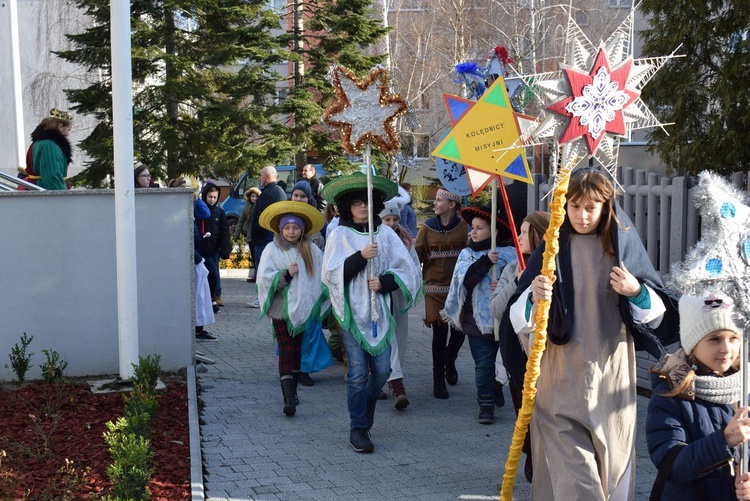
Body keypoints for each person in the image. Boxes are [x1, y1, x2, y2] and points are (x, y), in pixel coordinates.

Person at [506, 168, 679, 500]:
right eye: (574, 206)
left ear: (605, 206)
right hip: (559, 376)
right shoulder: (551, 247)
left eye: (590, 207)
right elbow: (517, 317)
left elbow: (659, 315)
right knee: (576, 480)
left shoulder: (622, 245)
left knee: (611, 471)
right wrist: (533, 296)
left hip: (610, 376)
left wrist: (636, 291)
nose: (582, 216)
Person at [321, 172, 421, 453]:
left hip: (380, 313)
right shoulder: (339, 234)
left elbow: (406, 269)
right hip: (352, 314)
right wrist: (360, 257)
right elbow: (330, 273)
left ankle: (365, 414)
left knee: (381, 371)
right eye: (356, 202)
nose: (362, 207)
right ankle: (358, 427)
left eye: (366, 201)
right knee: (356, 374)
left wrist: (385, 282)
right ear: (346, 207)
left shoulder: (386, 234)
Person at [646, 293, 748, 501]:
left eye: (733, 338)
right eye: (714, 339)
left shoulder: (744, 388)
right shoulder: (670, 393)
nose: (726, 349)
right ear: (693, 343)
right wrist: (725, 439)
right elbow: (672, 466)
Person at [489, 210, 551, 482]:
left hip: (548, 359)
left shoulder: (555, 268)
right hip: (516, 358)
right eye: (520, 231)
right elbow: (496, 309)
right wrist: (516, 281)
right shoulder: (510, 267)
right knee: (523, 416)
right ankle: (530, 456)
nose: (520, 237)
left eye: (526, 232)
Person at [440, 204, 516, 424]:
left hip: (503, 319)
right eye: (472, 227)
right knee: (483, 363)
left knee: (505, 362)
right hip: (477, 320)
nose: (473, 232)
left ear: (494, 231)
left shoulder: (509, 254)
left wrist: (501, 285)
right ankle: (485, 404)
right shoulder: (468, 254)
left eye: (479, 228)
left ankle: (496, 386)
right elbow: (465, 280)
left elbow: (518, 280)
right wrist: (485, 262)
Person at [256, 201, 326, 417]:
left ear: (302, 229)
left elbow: (322, 277)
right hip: (280, 308)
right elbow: (264, 278)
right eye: (287, 227)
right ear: (280, 229)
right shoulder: (271, 249)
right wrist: (285, 274)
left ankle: (293, 393)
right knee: (286, 350)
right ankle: (288, 398)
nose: (291, 231)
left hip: (302, 309)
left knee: (297, 350)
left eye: (295, 228)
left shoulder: (312, 250)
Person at [414, 188, 468, 399]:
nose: (434, 203)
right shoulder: (427, 228)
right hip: (434, 288)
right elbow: (415, 256)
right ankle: (438, 380)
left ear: (452, 205)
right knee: (439, 333)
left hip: (458, 288)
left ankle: (450, 359)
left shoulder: (464, 227)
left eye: (439, 200)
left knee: (459, 331)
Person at [379, 200, 422, 410]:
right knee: (381, 337)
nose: (392, 223)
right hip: (377, 296)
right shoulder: (373, 239)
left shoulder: (404, 241)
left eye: (395, 219)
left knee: (398, 337)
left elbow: (412, 266)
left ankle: (394, 379)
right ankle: (392, 381)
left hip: (397, 294)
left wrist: (407, 284)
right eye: (387, 219)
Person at [248, 166, 287, 308]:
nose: (260, 178)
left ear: (268, 177)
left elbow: (262, 219)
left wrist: (256, 235)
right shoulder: (280, 192)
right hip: (272, 238)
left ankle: (262, 298)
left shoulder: (267, 194)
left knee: (263, 270)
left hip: (264, 239)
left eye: (261, 176)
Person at [24, 108, 74, 190]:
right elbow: (52, 177)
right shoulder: (50, 146)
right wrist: (64, 198)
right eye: (68, 130)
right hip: (45, 193)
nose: (68, 134)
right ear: (60, 126)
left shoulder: (40, 142)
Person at [200, 181, 231, 309]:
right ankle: (211, 297)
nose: (212, 200)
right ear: (205, 196)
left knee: (215, 273)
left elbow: (224, 231)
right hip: (203, 249)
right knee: (211, 273)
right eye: (209, 197)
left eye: (214, 197)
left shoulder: (219, 212)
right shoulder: (200, 209)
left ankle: (215, 296)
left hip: (215, 249)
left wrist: (225, 248)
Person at [193, 194, 217, 341]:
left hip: (199, 253)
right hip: (195, 256)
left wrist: (197, 200)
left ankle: (199, 327)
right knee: (198, 295)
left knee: (201, 294)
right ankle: (196, 328)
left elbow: (205, 213)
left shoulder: (194, 207)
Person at [234, 187, 261, 282]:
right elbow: (241, 221)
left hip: (258, 234)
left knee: (259, 256)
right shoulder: (247, 208)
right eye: (252, 196)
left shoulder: (260, 206)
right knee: (253, 256)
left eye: (256, 196)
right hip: (250, 235)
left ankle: (259, 275)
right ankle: (256, 274)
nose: (254, 198)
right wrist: (236, 234)